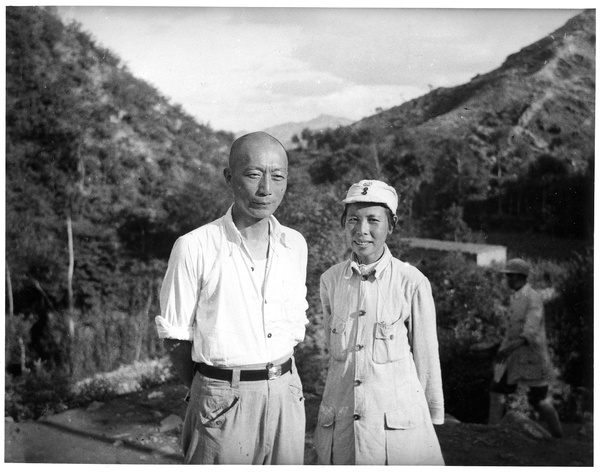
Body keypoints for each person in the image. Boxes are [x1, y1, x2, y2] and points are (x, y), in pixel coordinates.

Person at [155, 131, 309, 464]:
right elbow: (175, 337)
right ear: (230, 178)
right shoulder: (194, 246)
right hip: (221, 404)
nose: (266, 189)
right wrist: (212, 389)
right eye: (253, 174)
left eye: (277, 176)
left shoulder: (294, 244)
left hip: (287, 395)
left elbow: (294, 324)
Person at [314, 179, 445, 465]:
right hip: (342, 425)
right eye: (353, 220)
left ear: (392, 225)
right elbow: (337, 358)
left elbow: (426, 356)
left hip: (395, 431)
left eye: (373, 220)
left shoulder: (411, 282)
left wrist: (429, 416)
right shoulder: (330, 281)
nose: (362, 230)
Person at [488, 258, 563, 438]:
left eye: (510, 277)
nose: (507, 280)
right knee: (497, 389)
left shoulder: (533, 298)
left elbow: (529, 332)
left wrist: (507, 349)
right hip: (513, 355)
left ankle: (559, 436)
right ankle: (491, 432)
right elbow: (512, 330)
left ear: (519, 277)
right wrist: (502, 349)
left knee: (539, 399)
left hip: (531, 356)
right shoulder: (515, 298)